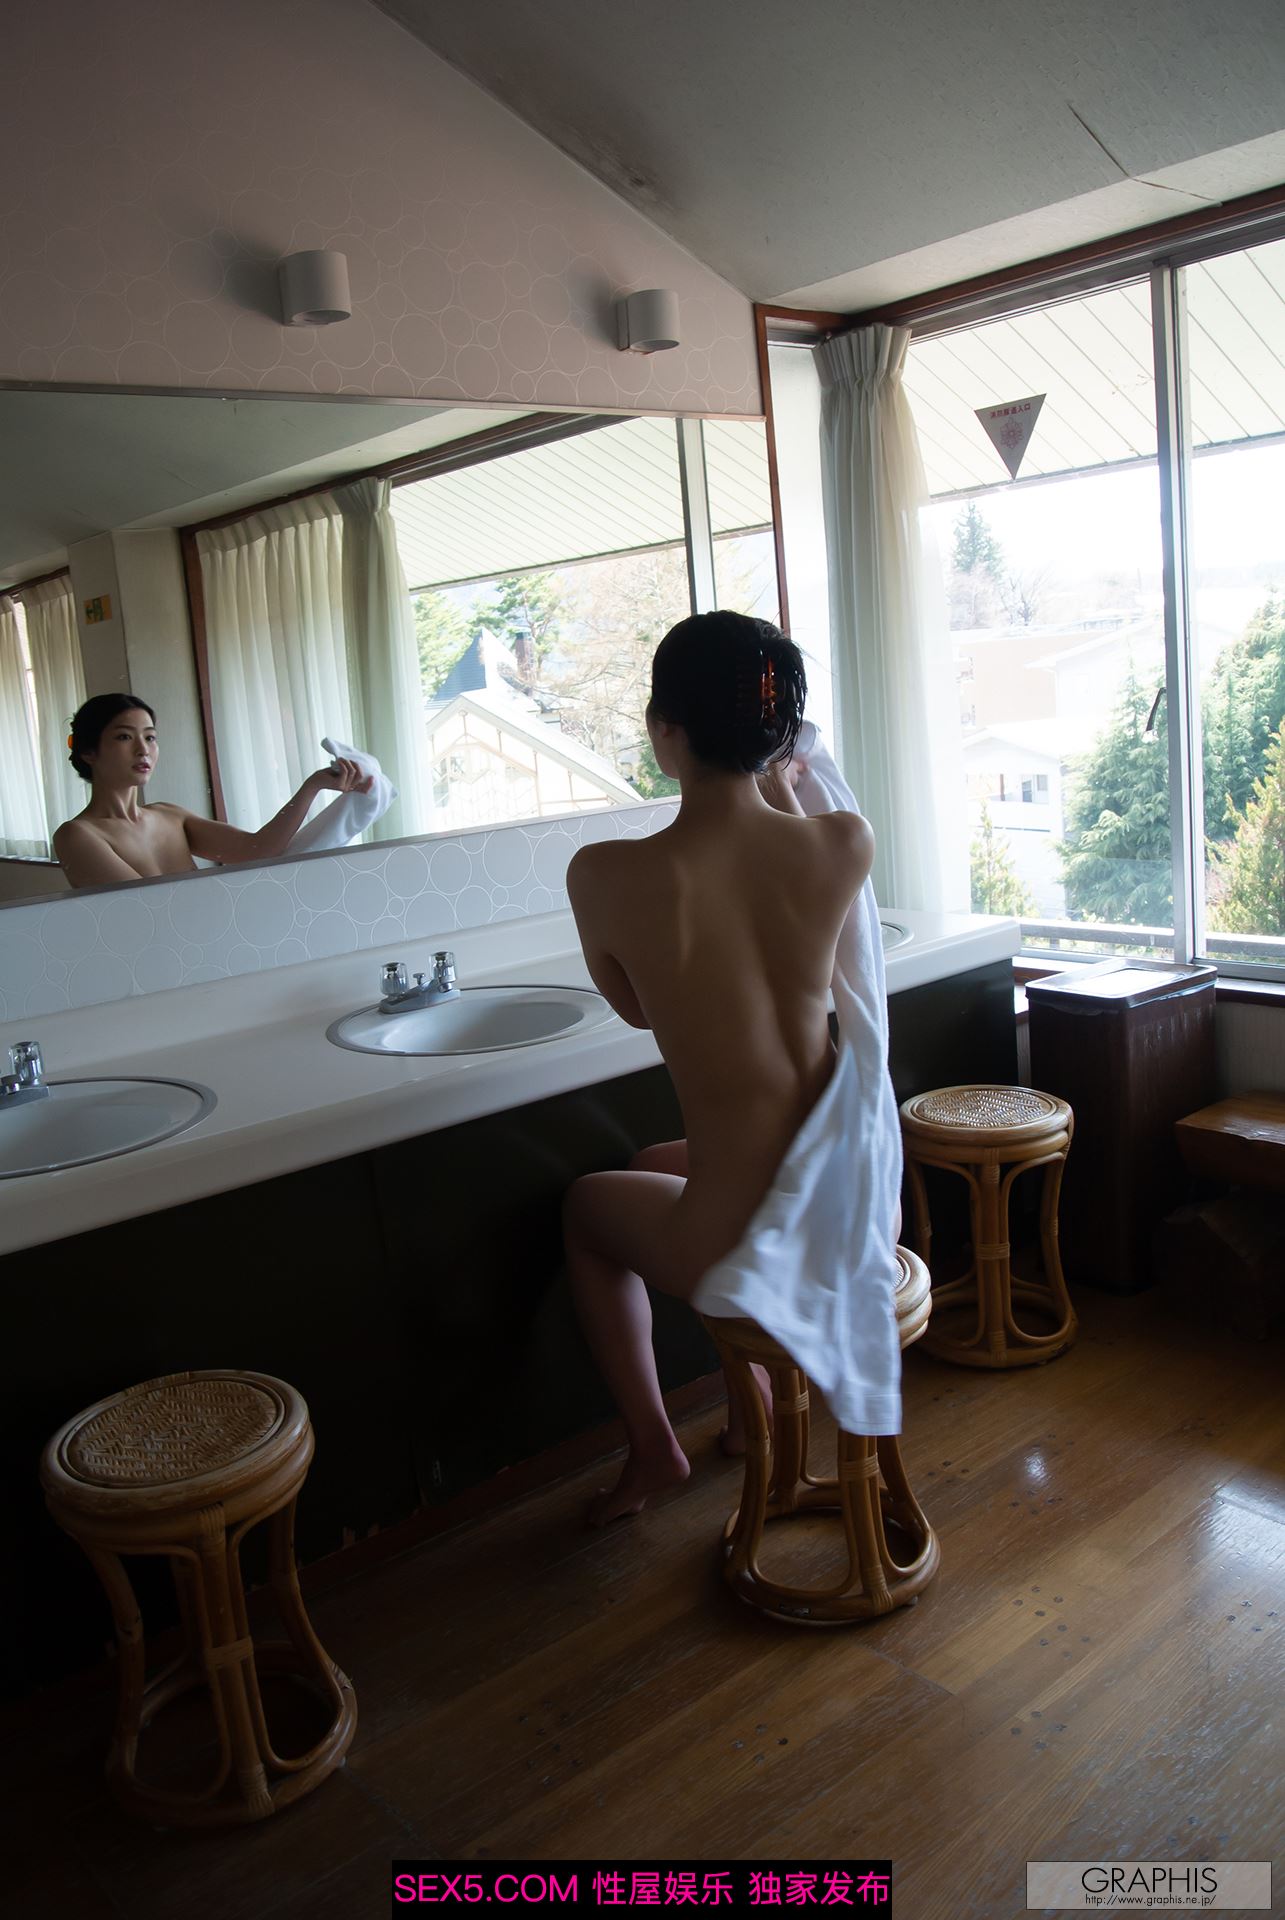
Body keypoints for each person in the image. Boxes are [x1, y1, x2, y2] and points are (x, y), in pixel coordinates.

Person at [563, 610, 877, 1525]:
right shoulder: (841, 842)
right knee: (654, 1165)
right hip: (849, 1198)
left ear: (663, 730)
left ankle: (653, 1449)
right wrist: (777, 782)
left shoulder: (604, 874)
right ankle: (751, 1411)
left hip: (747, 1232)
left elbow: (637, 1010)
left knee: (586, 1208)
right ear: (779, 734)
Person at [53, 692, 372, 889]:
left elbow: (257, 849)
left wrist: (313, 785)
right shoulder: (77, 835)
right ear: (88, 752)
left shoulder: (169, 815)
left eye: (150, 737)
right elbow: (145, 912)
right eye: (124, 737)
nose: (143, 749)